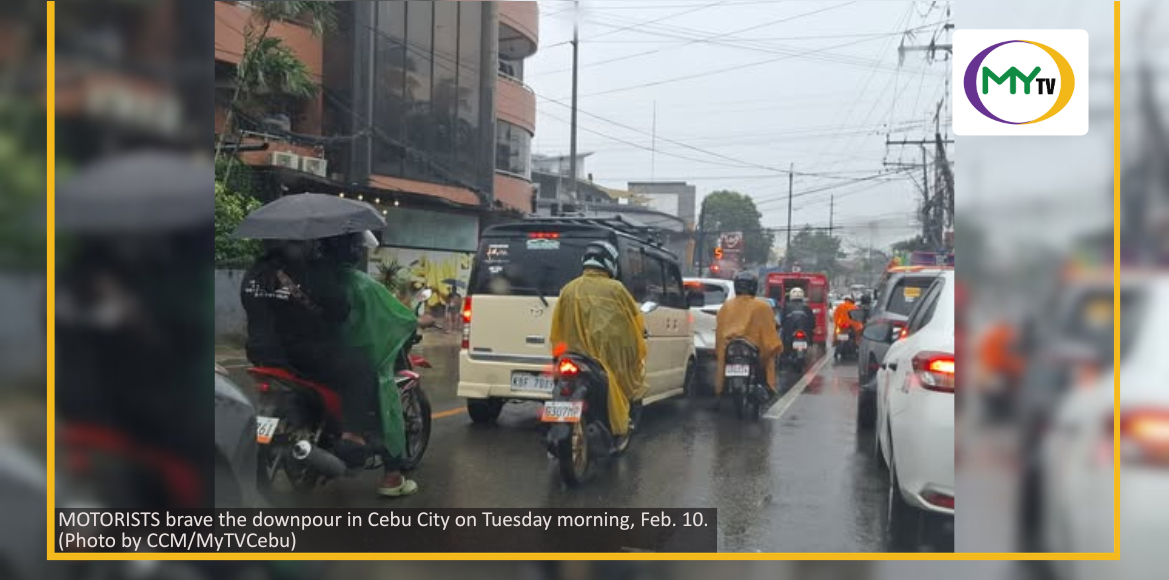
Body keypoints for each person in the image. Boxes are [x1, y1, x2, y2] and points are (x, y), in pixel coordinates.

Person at [318, 231, 423, 497]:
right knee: (387, 401)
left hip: (308, 359)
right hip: (354, 359)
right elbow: (397, 317)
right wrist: (416, 321)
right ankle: (392, 476)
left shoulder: (307, 277)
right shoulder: (360, 283)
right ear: (351, 250)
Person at [549, 241, 648, 447]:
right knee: (627, 380)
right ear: (610, 264)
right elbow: (634, 322)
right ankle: (620, 427)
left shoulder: (569, 289)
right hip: (606, 361)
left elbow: (557, 327)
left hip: (572, 355)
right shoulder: (617, 289)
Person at [715, 271, 783, 402]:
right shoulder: (762, 306)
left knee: (722, 360)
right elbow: (769, 332)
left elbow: (720, 330)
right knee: (769, 357)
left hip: (730, 348)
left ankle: (721, 388)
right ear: (754, 287)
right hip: (752, 349)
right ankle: (767, 386)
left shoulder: (726, 306)